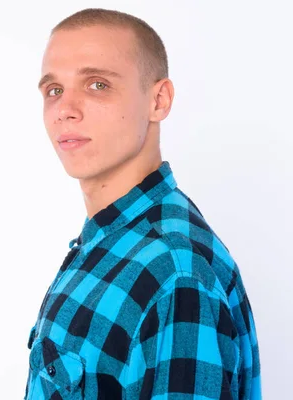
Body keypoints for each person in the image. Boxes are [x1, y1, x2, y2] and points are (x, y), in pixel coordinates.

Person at [24, 8, 261, 400]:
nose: (65, 109)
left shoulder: (176, 275)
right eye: (54, 90)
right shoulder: (108, 242)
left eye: (97, 84)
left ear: (159, 100)